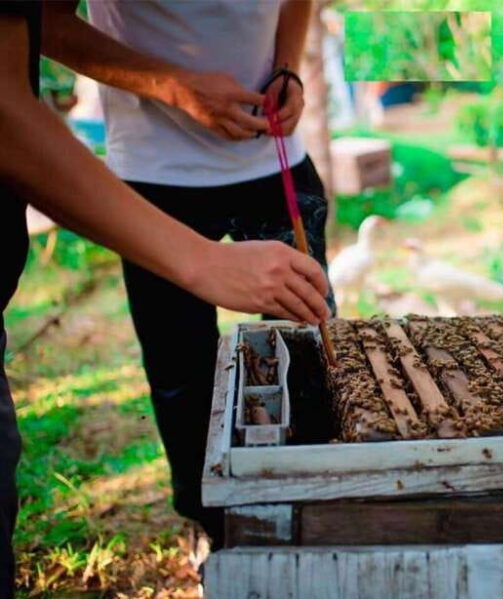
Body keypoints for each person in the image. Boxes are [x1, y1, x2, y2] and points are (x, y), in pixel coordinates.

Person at [0, 1, 330, 595]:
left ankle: (304, 510)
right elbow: (39, 20)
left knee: (304, 358)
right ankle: (210, 522)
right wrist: (172, 86)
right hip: (156, 177)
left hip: (276, 160)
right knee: (184, 377)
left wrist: (288, 68)